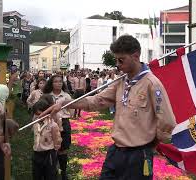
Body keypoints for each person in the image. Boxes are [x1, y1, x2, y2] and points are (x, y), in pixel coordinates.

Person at [41, 35, 176, 179]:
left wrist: (151, 145)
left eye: (121, 60)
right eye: (116, 60)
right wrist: (64, 103)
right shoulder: (121, 82)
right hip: (116, 151)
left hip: (138, 156)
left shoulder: (152, 84)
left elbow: (167, 120)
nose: (117, 64)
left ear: (135, 56)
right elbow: (97, 101)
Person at [43, 75, 72, 180]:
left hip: (64, 122)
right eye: (56, 81)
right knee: (51, 147)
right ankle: (52, 171)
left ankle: (63, 171)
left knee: (63, 148)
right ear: (51, 83)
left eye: (60, 81)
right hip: (50, 123)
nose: (58, 83)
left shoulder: (66, 96)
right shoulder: (47, 96)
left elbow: (71, 111)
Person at [32, 99, 62, 180]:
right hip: (37, 152)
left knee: (50, 174)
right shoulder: (35, 123)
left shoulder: (53, 125)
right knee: (37, 174)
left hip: (48, 154)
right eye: (36, 114)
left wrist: (55, 150)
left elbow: (57, 140)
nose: (39, 117)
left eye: (40, 114)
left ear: (47, 112)